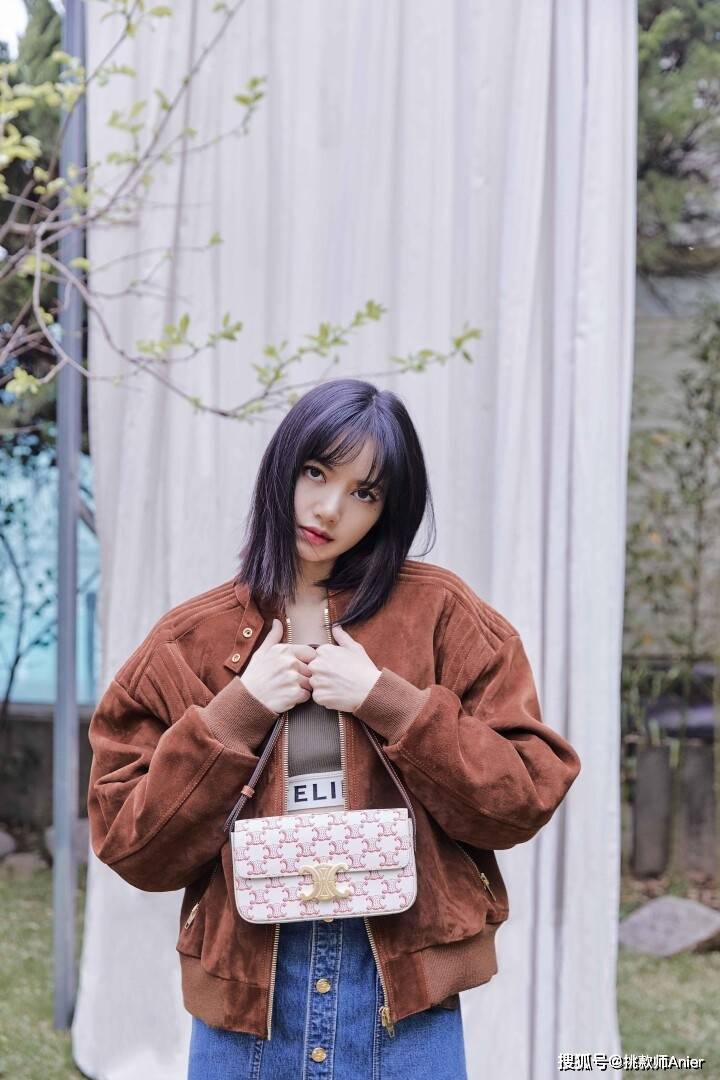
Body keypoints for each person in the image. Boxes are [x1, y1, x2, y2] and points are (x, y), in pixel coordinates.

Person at [87, 377, 582, 1080]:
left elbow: (524, 794)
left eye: (365, 492)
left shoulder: (442, 614)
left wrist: (390, 701)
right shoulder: (188, 641)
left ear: (389, 510)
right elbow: (130, 844)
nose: (329, 508)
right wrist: (237, 710)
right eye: (317, 472)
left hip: (404, 996)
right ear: (283, 466)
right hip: (249, 1002)